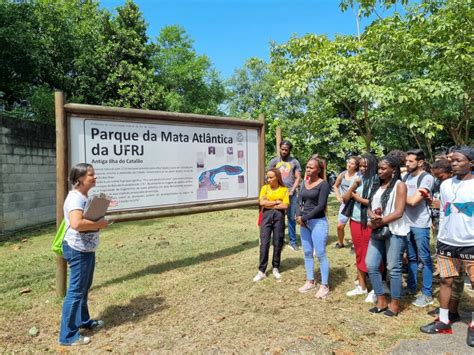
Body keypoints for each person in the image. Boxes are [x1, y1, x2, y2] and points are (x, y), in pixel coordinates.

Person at [420, 146, 474, 347]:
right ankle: (443, 320)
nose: (454, 163)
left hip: (470, 243)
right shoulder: (445, 184)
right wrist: (441, 237)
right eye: (453, 161)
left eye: (459, 160)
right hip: (447, 242)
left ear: (471, 162)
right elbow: (444, 212)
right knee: (445, 281)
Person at [59, 163, 112, 346]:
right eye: (91, 175)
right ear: (80, 179)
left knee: (83, 287)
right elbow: (76, 223)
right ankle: (67, 336)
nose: (95, 177)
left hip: (85, 249)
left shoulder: (83, 196)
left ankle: (83, 321)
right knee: (75, 292)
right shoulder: (75, 199)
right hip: (77, 250)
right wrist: (100, 224)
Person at [365, 155, 409, 317]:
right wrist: (372, 216)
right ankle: (381, 299)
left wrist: (379, 221)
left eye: (384, 168)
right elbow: (370, 206)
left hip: (395, 231)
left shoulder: (400, 185)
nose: (380, 171)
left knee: (393, 268)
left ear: (394, 170)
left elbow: (399, 212)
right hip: (378, 230)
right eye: (379, 168)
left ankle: (395, 304)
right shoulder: (376, 185)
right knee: (371, 264)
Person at [343, 153, 378, 300]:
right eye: (361, 166)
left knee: (372, 256)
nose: (362, 168)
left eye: (365, 166)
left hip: (370, 222)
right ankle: (362, 286)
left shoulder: (377, 180)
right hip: (356, 220)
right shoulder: (358, 179)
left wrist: (357, 198)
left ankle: (377, 289)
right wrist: (353, 187)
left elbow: (374, 203)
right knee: (359, 253)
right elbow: (345, 199)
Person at [404, 149, 435, 307]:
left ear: (420, 162)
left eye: (410, 161)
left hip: (421, 224)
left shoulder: (426, 178)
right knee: (411, 258)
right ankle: (411, 287)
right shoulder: (406, 176)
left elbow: (413, 201)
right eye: (406, 161)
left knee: (424, 258)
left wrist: (398, 197)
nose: (407, 164)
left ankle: (427, 293)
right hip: (407, 223)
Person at [296, 158, 331, 298]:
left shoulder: (323, 185)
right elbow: (299, 201)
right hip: (304, 223)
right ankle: (310, 281)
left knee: (321, 253)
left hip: (318, 222)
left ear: (318, 169)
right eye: (307, 167)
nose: (308, 169)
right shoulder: (304, 183)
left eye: (311, 167)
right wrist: (299, 216)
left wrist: (304, 218)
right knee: (307, 253)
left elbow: (321, 206)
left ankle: (325, 285)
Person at [253, 168, 289, 282]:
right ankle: (261, 270)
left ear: (277, 177)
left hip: (279, 217)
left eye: (271, 177)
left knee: (278, 242)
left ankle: (275, 267)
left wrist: (270, 204)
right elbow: (262, 202)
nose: (269, 180)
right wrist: (276, 202)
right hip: (266, 217)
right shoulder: (265, 188)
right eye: (267, 177)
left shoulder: (284, 189)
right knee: (264, 243)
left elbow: (285, 205)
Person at [268, 141, 302, 251]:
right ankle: (279, 240)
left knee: (291, 218)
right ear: (279, 149)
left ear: (289, 150)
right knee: (278, 217)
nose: (284, 151)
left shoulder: (294, 162)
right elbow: (269, 176)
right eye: (282, 149)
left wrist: (292, 190)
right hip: (278, 195)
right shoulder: (274, 161)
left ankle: (293, 241)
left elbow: (298, 178)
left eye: (286, 150)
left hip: (291, 194)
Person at [333, 156, 360, 248]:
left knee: (355, 225)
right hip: (345, 204)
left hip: (356, 203)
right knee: (340, 226)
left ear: (356, 166)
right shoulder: (342, 174)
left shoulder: (359, 176)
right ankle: (340, 243)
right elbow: (335, 186)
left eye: (352, 163)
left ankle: (355, 243)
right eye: (349, 162)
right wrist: (338, 197)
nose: (349, 165)